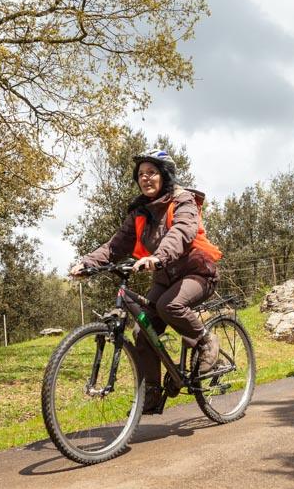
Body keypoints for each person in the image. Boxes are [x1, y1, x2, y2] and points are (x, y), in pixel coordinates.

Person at [70, 149, 222, 414]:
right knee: (142, 331)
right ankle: (151, 392)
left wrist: (158, 256)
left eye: (151, 172)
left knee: (168, 306)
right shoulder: (140, 211)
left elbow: (182, 232)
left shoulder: (183, 200)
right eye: (141, 174)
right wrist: (89, 262)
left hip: (197, 271)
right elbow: (116, 245)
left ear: (164, 176)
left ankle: (206, 341)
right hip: (166, 277)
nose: (145, 178)